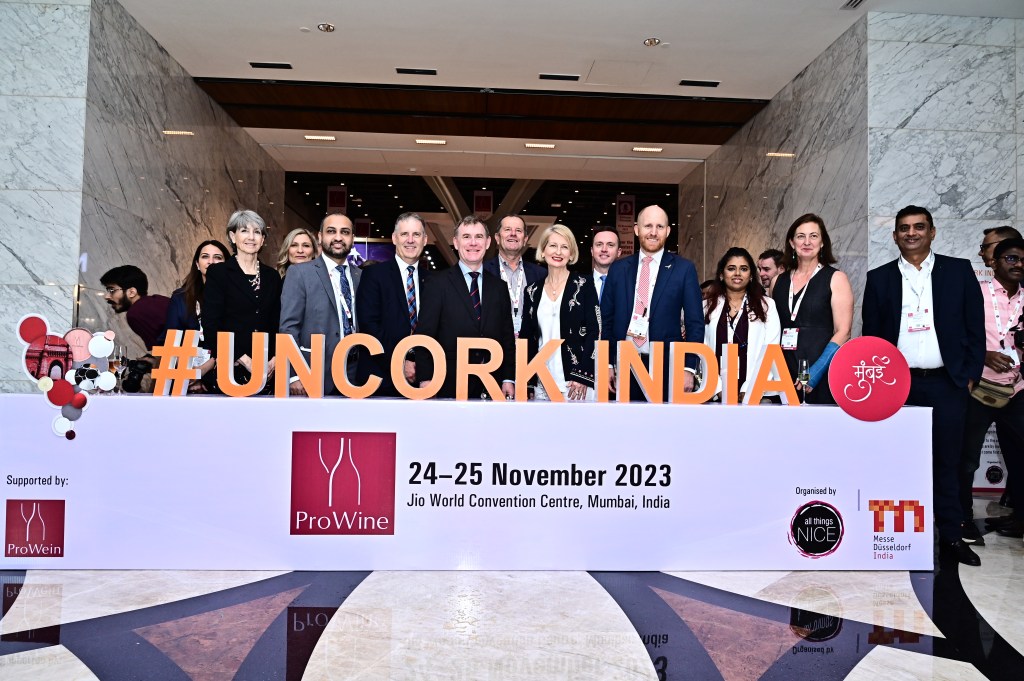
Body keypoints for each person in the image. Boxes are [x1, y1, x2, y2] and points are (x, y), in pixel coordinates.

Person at [863, 205, 986, 567]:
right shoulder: (879, 278)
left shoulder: (958, 271)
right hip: (897, 386)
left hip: (947, 383)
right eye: (904, 228)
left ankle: (951, 535)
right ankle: (896, 537)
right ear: (895, 236)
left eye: (919, 227)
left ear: (932, 232)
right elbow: (873, 336)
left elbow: (975, 328)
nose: (911, 233)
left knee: (948, 462)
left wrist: (969, 375)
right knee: (897, 461)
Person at [600, 204, 703, 401]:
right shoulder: (618, 269)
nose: (653, 232)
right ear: (637, 229)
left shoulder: (684, 269)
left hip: (667, 369)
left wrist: (688, 368)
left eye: (660, 227)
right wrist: (607, 364)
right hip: (624, 367)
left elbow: (695, 323)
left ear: (668, 231)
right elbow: (606, 321)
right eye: (648, 226)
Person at [959, 238, 1024, 543]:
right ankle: (962, 519)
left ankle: (1021, 517)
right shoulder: (976, 293)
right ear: (994, 263)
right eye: (1011, 258)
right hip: (978, 388)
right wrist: (984, 355)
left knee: (1020, 456)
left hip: (1017, 389)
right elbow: (957, 335)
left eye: (1022, 260)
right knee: (967, 460)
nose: (1018, 264)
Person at [416, 215, 515, 400]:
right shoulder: (437, 283)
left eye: (479, 237)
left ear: (488, 242)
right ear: (455, 242)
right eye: (466, 237)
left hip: (492, 385)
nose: (473, 243)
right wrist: (426, 378)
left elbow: (507, 338)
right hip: (447, 383)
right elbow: (424, 336)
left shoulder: (499, 287)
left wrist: (508, 378)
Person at [770, 214, 853, 404]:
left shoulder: (836, 278)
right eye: (801, 236)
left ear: (822, 242)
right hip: (782, 372)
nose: (807, 242)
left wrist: (816, 371)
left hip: (820, 372)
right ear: (792, 242)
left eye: (813, 236)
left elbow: (844, 331)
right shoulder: (777, 281)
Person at [280, 212, 361, 395]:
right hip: (313, 373)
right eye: (331, 231)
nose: (338, 237)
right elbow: (289, 327)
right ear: (320, 236)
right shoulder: (300, 273)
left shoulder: (361, 276)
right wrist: (295, 374)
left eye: (345, 232)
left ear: (352, 238)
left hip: (356, 376)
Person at [202, 210, 282, 389]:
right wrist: (246, 361)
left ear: (263, 239)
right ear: (233, 236)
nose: (251, 237)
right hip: (232, 367)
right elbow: (211, 325)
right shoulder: (219, 273)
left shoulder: (272, 276)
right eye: (244, 230)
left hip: (268, 370)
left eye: (257, 232)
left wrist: (275, 360)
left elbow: (277, 322)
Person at [520, 224, 601, 400]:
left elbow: (595, 331)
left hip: (575, 383)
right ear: (543, 251)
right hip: (541, 381)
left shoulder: (584, 284)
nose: (558, 252)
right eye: (553, 245)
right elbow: (527, 337)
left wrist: (583, 374)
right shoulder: (532, 291)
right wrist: (528, 380)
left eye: (564, 247)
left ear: (571, 254)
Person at [355, 212, 430, 397]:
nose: (410, 240)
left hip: (424, 380)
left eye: (416, 234)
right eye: (404, 234)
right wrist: (400, 362)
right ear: (394, 238)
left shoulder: (434, 281)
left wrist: (423, 367)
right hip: (381, 380)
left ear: (425, 240)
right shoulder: (373, 275)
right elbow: (369, 326)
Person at [702, 247, 781, 401]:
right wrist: (718, 388)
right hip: (715, 392)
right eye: (731, 268)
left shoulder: (767, 306)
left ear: (751, 275)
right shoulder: (706, 306)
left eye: (744, 269)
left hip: (756, 393)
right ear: (721, 274)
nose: (737, 273)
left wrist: (750, 389)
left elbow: (770, 349)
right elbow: (702, 348)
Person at [163, 239, 230, 388]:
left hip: (223, 373)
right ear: (197, 264)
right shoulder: (180, 297)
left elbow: (235, 340)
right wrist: (188, 372)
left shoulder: (234, 298)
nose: (211, 261)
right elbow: (172, 339)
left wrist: (204, 369)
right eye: (205, 256)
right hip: (185, 373)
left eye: (218, 257)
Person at [483, 214, 546, 337]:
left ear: (525, 239)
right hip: (493, 343)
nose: (513, 234)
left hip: (530, 343)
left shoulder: (541, 274)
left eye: (518, 230)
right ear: (497, 238)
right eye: (507, 229)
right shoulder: (483, 271)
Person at [100, 265, 171, 352]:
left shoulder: (135, 313)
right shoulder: (159, 299)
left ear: (132, 292)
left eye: (112, 290)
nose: (106, 296)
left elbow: (163, 352)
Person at [590, 228, 621, 303]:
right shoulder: (579, 283)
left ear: (618, 252)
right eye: (599, 245)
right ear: (592, 251)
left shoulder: (628, 284)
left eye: (610, 245)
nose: (604, 249)